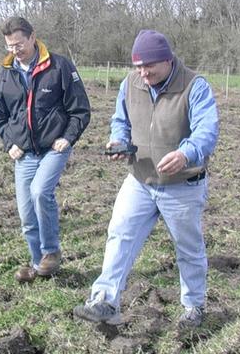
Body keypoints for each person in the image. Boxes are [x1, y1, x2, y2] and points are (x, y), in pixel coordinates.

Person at [73, 29, 219, 328]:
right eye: (138, 66)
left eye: (149, 66)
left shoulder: (194, 86)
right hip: (140, 179)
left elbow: (207, 130)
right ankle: (105, 301)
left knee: (187, 247)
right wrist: (118, 141)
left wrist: (186, 153)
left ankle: (194, 306)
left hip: (182, 184)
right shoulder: (130, 84)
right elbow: (120, 120)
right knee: (120, 235)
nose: (143, 73)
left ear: (167, 60)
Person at [0, 16, 91, 283]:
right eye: (10, 45)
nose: (15, 50)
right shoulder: (5, 73)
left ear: (33, 37)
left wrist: (67, 138)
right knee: (26, 215)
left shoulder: (59, 67)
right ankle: (38, 265)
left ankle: (51, 252)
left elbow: (80, 110)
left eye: (19, 44)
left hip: (53, 148)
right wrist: (8, 143)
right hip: (23, 153)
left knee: (40, 192)